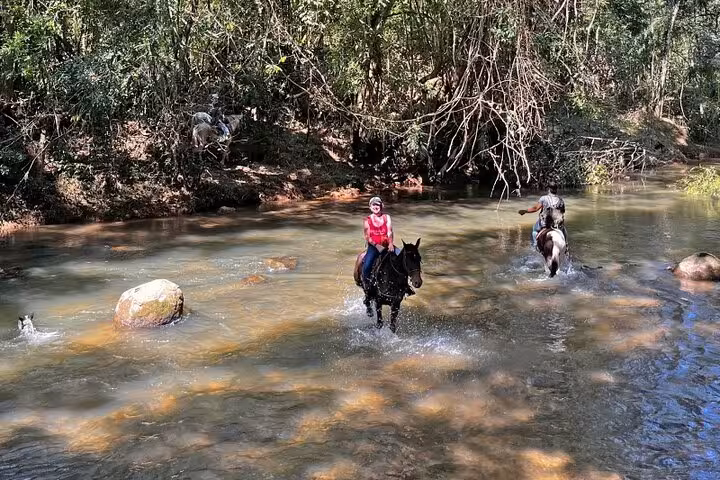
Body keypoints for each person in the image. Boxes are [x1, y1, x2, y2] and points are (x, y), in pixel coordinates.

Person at [362, 197, 415, 295]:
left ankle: (406, 285)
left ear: (382, 206)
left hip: (387, 245)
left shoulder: (387, 217)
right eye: (373, 205)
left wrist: (390, 243)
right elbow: (367, 236)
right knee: (367, 266)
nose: (375, 207)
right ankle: (367, 286)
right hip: (374, 247)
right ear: (370, 207)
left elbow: (390, 231)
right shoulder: (367, 219)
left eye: (377, 204)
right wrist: (377, 246)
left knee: (404, 258)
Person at [518, 182, 568, 247]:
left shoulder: (544, 198)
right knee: (564, 231)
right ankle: (566, 246)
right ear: (556, 190)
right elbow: (563, 211)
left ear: (549, 189)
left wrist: (524, 211)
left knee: (534, 230)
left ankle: (535, 245)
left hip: (545, 223)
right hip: (557, 224)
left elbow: (535, 209)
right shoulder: (561, 200)